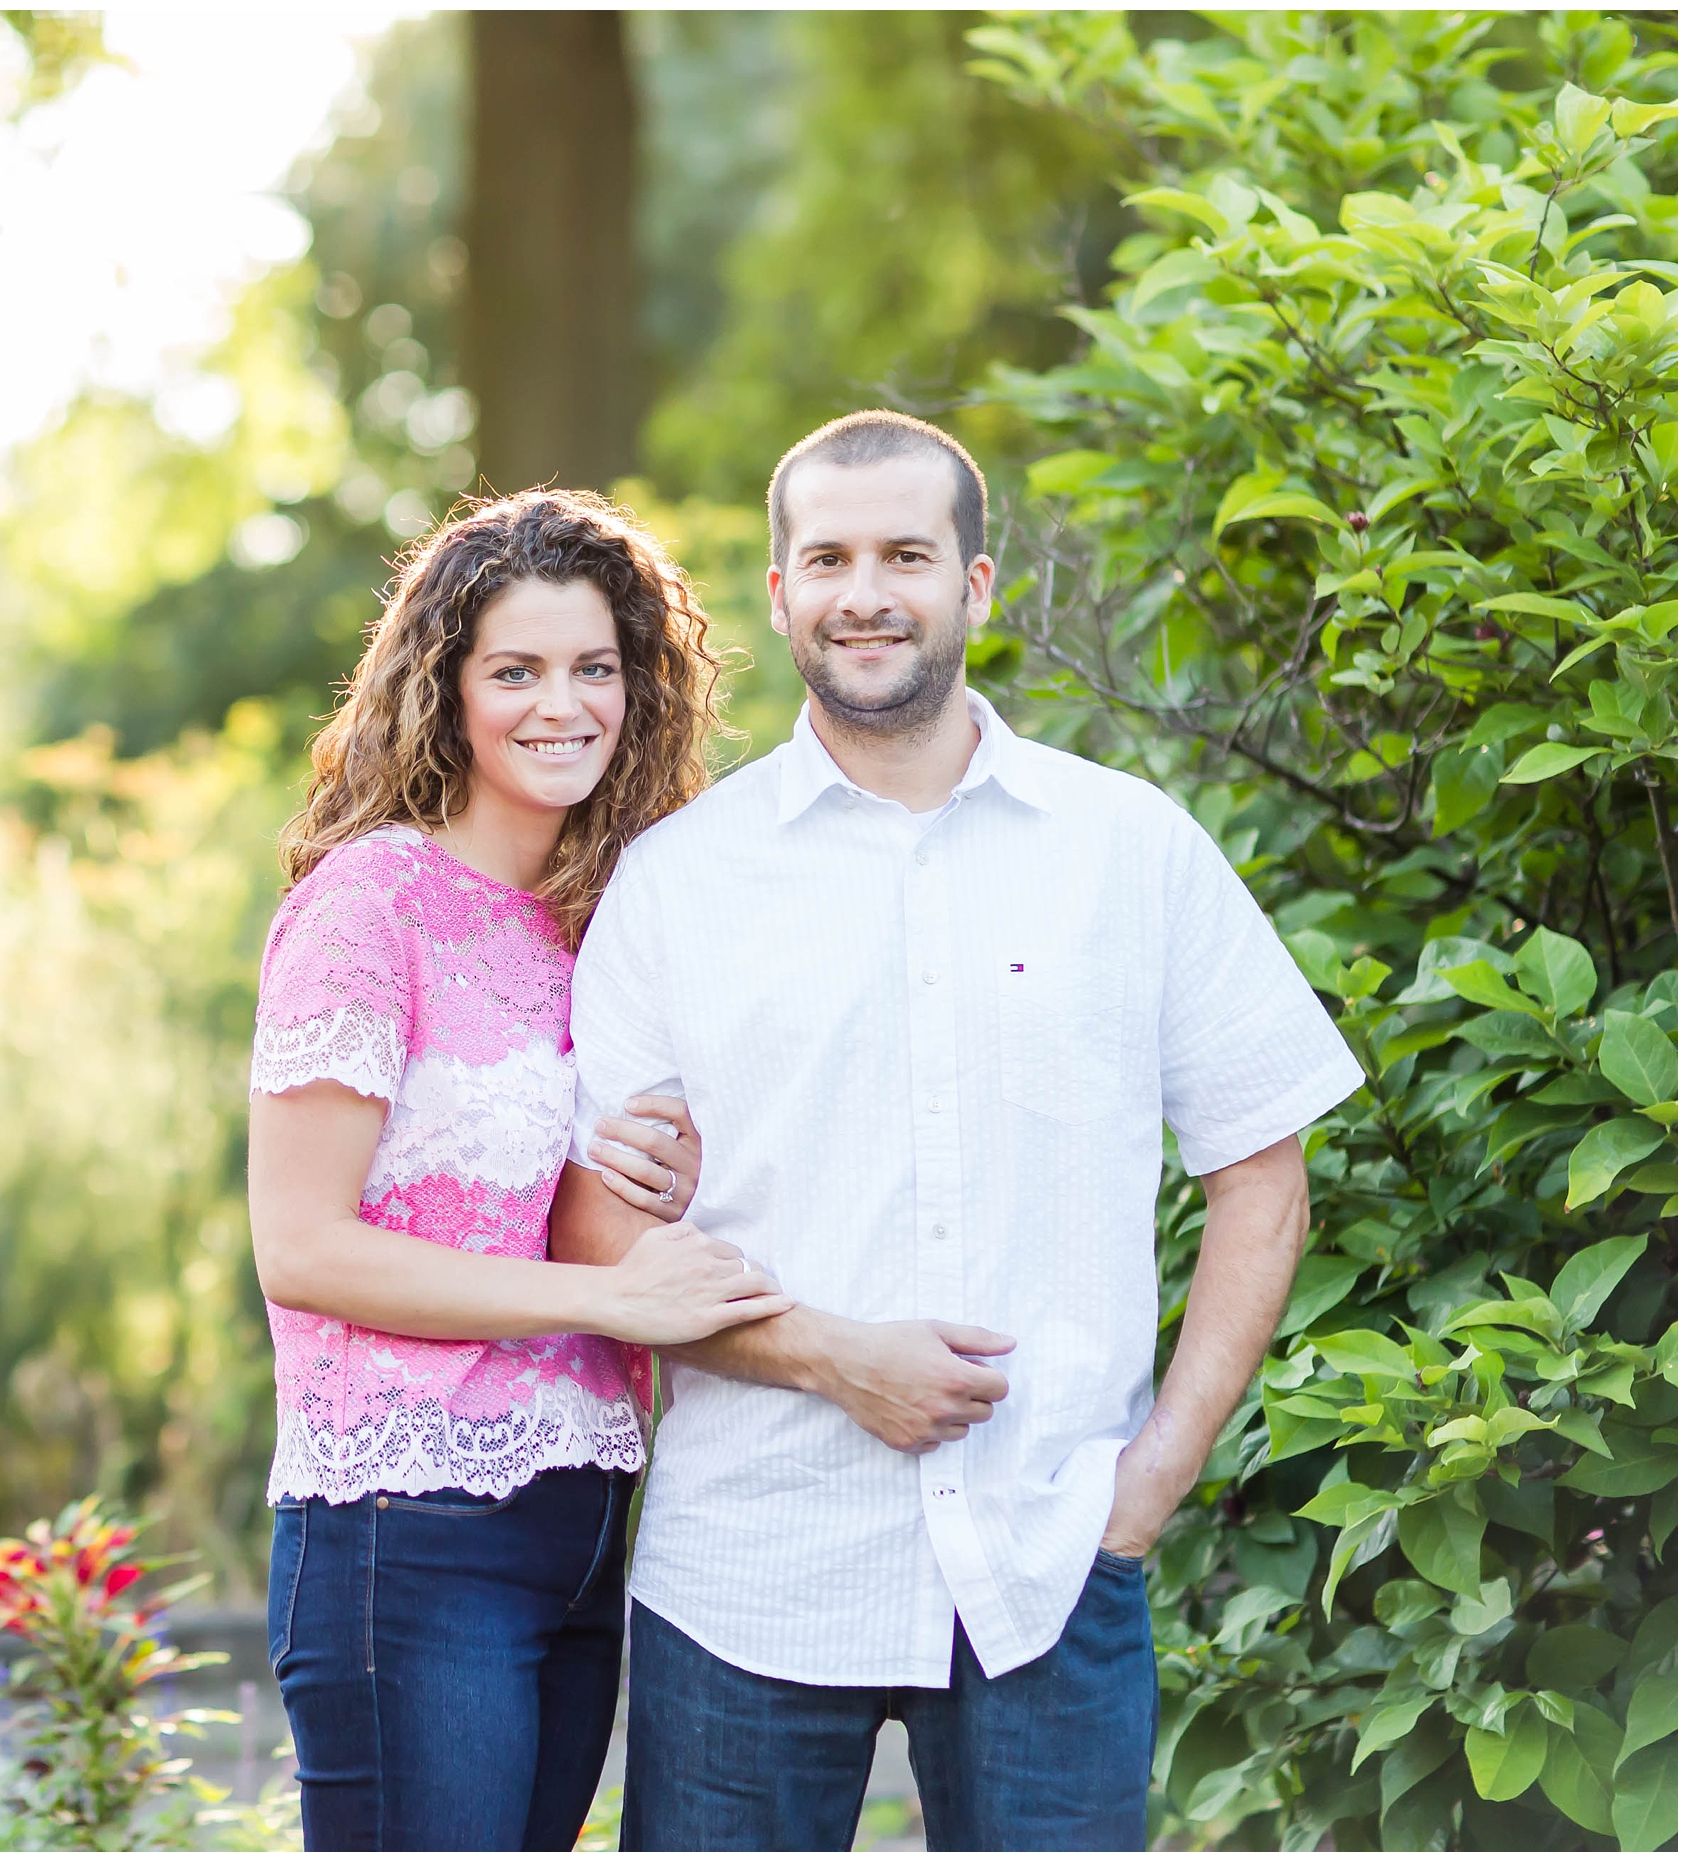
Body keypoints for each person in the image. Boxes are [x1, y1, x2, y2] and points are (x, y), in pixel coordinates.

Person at [551, 410, 1364, 1851]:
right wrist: (827, 1354)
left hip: (1051, 1562)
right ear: (785, 588)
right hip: (749, 1568)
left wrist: (1156, 1472)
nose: (867, 589)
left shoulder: (1131, 851)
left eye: (907, 554)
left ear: (975, 586)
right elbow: (603, 1232)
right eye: (831, 557)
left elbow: (1262, 1166)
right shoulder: (677, 884)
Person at [246, 489, 791, 1852]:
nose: (565, 703)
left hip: (585, 1519)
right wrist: (606, 1300)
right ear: (447, 691)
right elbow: (301, 1247)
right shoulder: (368, 907)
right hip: (406, 1525)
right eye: (517, 670)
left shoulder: (604, 924)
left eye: (595, 667)